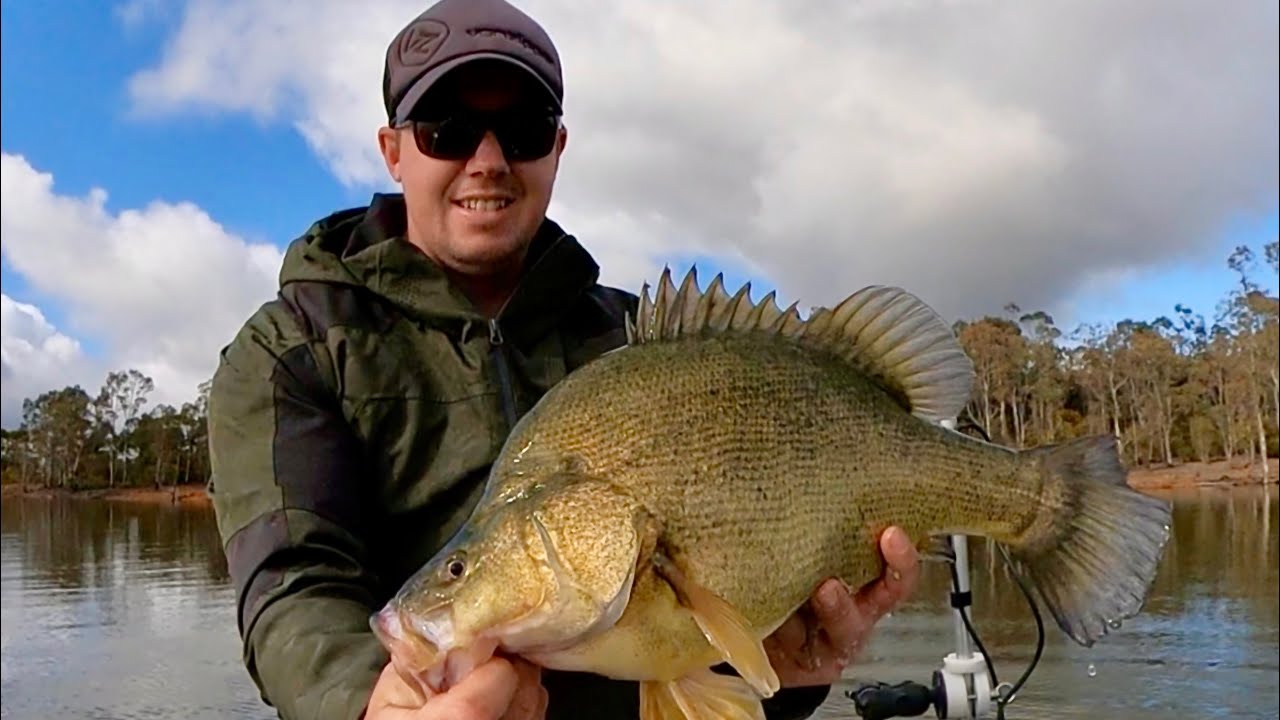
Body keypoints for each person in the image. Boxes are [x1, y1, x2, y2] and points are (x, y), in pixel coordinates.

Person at [205, 0, 921, 718]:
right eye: (446, 130)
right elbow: (292, 583)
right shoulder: (294, 351)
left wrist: (786, 665)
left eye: (523, 131)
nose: (487, 161)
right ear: (394, 150)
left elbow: (730, 658)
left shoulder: (639, 343)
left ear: (558, 146)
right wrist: (368, 700)